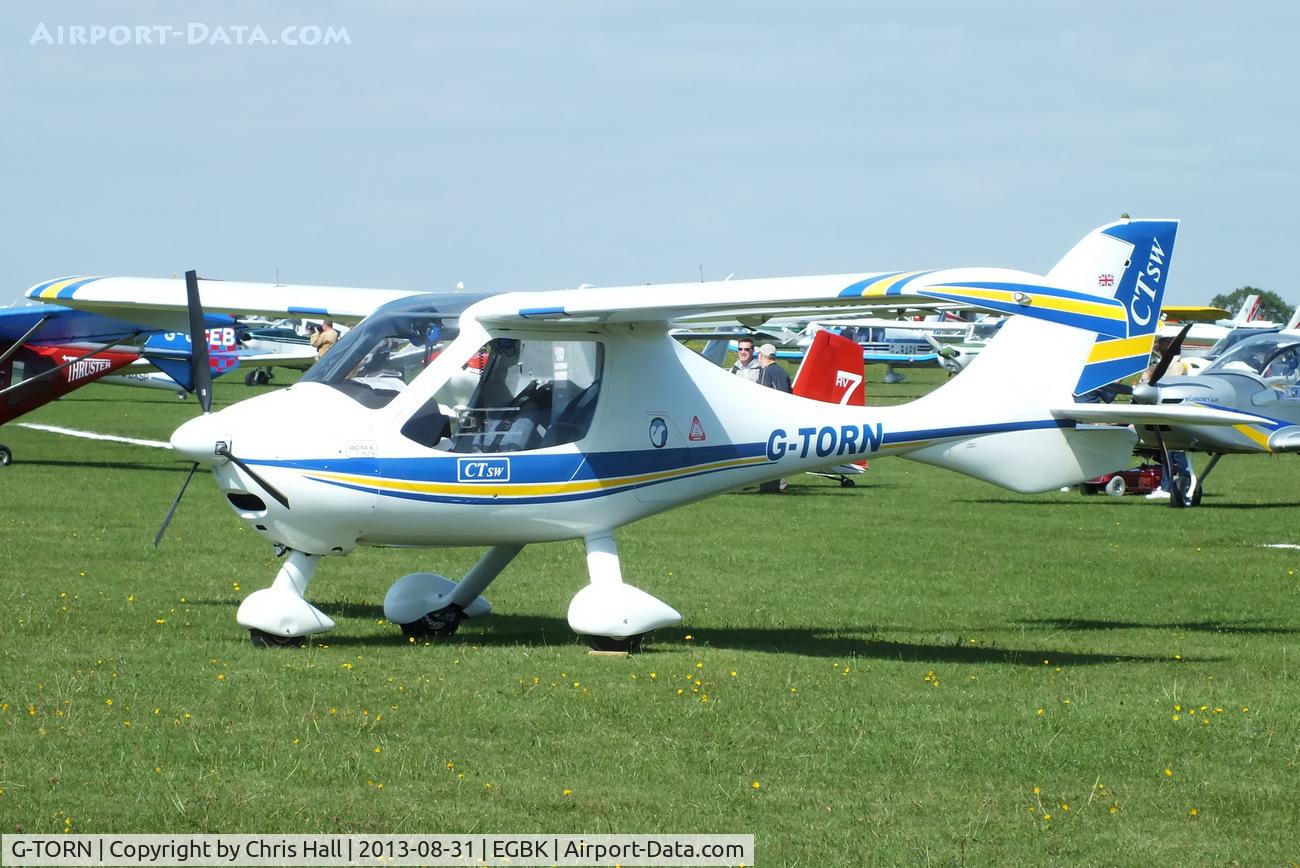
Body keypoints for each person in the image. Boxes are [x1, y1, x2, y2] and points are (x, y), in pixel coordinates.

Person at [1141, 337, 1194, 500]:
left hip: (1172, 414)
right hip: (1166, 414)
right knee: (1170, 453)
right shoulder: (1171, 364)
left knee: (1175, 453)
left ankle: (1176, 485)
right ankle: (1171, 485)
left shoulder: (1176, 366)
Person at [756, 343, 792, 492]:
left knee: (769, 454)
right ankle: (776, 485)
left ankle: (771, 486)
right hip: (782, 419)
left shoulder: (768, 371)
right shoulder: (781, 371)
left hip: (772, 421)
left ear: (761, 356)